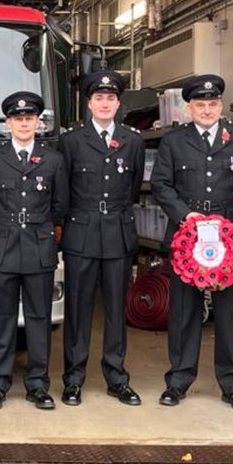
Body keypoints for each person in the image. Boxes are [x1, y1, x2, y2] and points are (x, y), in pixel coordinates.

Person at [150, 74, 233, 411]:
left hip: (228, 241)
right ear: (190, 107)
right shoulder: (174, 141)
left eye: (213, 104)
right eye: (200, 104)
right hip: (187, 236)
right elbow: (161, 184)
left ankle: (232, 385)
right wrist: (187, 216)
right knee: (184, 312)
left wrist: (228, 220)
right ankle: (178, 381)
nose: (207, 109)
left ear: (221, 105)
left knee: (229, 314)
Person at [57, 70, 145, 407]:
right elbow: (63, 190)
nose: (105, 103)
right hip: (81, 233)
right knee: (78, 309)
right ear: (89, 103)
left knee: (115, 311)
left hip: (118, 234)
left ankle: (117, 377)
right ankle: (73, 378)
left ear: (118, 104)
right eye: (99, 98)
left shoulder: (132, 141)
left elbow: (133, 189)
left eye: (111, 98)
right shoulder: (71, 141)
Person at [0, 91, 68, 410]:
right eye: (18, 119)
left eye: (29, 118)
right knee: (0, 318)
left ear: (38, 122)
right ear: (8, 123)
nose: (24, 124)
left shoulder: (53, 160)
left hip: (39, 247)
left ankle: (38, 384)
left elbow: (60, 205)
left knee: (39, 318)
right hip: (2, 247)